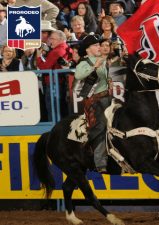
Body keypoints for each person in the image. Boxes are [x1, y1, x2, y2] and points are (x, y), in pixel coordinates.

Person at [75, 34, 112, 173]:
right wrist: (93, 67)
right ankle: (99, 162)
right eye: (96, 45)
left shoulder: (102, 61)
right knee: (101, 126)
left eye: (99, 45)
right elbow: (78, 75)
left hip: (106, 98)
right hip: (94, 101)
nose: (99, 47)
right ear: (88, 50)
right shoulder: (85, 62)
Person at [37, 30, 72, 121]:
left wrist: (38, 57)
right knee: (60, 110)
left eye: (52, 38)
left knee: (53, 111)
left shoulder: (56, 51)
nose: (49, 41)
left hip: (53, 84)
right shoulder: (66, 48)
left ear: (60, 40)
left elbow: (44, 68)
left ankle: (53, 132)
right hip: (61, 84)